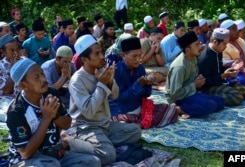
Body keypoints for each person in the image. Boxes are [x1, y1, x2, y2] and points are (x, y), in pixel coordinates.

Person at [61, 34, 141, 165]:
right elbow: (88, 112)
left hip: (105, 124)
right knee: (108, 155)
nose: (102, 57)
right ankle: (69, 141)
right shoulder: (77, 80)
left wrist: (109, 82)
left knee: (136, 131)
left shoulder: (102, 70)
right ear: (85, 59)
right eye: (97, 54)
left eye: (101, 52)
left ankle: (99, 142)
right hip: (86, 127)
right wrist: (102, 85)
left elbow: (115, 95)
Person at [7, 58, 101, 167]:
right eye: (37, 77)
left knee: (93, 162)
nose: (43, 79)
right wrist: (46, 118)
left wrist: (54, 115)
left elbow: (67, 124)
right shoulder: (16, 111)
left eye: (42, 73)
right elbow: (25, 153)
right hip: (29, 160)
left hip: (55, 154)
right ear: (23, 85)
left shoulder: (50, 93)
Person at [165, 31, 225, 118]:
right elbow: (175, 94)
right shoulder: (179, 67)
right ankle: (179, 109)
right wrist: (195, 85)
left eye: (199, 44)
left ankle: (191, 108)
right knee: (211, 105)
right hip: (178, 98)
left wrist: (198, 79)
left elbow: (191, 77)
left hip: (190, 93)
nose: (200, 47)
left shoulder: (193, 58)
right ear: (187, 49)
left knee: (221, 101)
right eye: (196, 45)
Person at [198, 28, 245, 106]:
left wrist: (231, 69)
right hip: (208, 88)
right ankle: (207, 99)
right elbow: (205, 82)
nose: (226, 47)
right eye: (224, 44)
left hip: (220, 82)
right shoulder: (205, 57)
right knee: (236, 97)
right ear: (215, 42)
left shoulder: (218, 51)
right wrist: (224, 75)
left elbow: (219, 68)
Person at [109, 37, 152, 116]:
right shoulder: (116, 71)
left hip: (137, 106)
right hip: (121, 110)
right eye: (134, 56)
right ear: (124, 55)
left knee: (170, 110)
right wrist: (138, 85)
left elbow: (146, 95)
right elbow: (120, 99)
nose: (138, 59)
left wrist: (148, 84)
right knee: (128, 125)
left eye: (140, 55)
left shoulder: (140, 68)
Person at [221, 20, 245, 87]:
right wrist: (243, 61)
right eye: (234, 29)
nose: (237, 31)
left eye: (236, 28)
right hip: (235, 73)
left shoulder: (239, 40)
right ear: (226, 32)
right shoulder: (222, 45)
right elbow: (225, 64)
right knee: (242, 80)